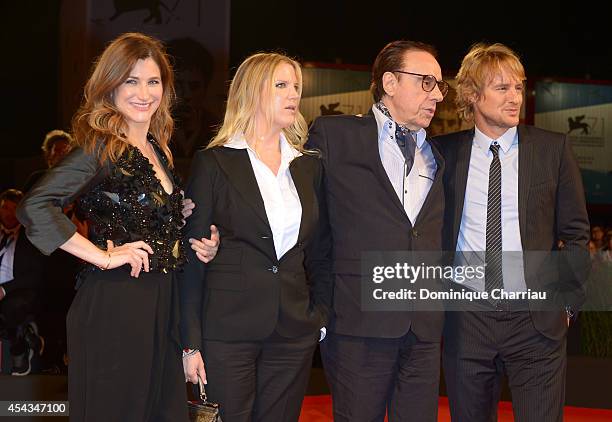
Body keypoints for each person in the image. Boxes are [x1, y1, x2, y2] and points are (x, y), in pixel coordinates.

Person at [16, 32, 218, 422]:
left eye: (153, 81)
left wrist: (196, 233)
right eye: (131, 80)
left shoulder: (160, 149)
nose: (144, 92)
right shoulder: (100, 146)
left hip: (162, 306)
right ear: (110, 86)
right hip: (116, 306)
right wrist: (103, 257)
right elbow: (36, 206)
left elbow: (156, 222)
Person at [433, 43, 590, 422]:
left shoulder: (552, 150)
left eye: (518, 87)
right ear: (473, 95)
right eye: (502, 88)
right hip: (466, 319)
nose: (514, 97)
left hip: (535, 320)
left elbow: (576, 232)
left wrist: (566, 303)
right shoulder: (442, 154)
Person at [179, 52, 332, 422]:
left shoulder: (308, 165)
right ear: (252, 92)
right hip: (227, 330)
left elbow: (322, 252)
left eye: (296, 86)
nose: (292, 94)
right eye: (281, 85)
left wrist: (319, 318)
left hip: (294, 331)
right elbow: (192, 261)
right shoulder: (214, 162)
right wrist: (190, 344)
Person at [307, 40, 447, 421]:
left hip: (423, 327)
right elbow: (309, 224)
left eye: (438, 85)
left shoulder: (437, 155)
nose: (435, 95)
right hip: (357, 322)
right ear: (389, 81)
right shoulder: (335, 136)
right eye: (425, 82)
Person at [0, 189, 46, 376]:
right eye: (5, 208)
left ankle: (20, 347)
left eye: (14, 209)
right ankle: (28, 336)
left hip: (17, 290)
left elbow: (34, 275)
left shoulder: (31, 236)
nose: (8, 213)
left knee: (10, 309)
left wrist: (4, 289)